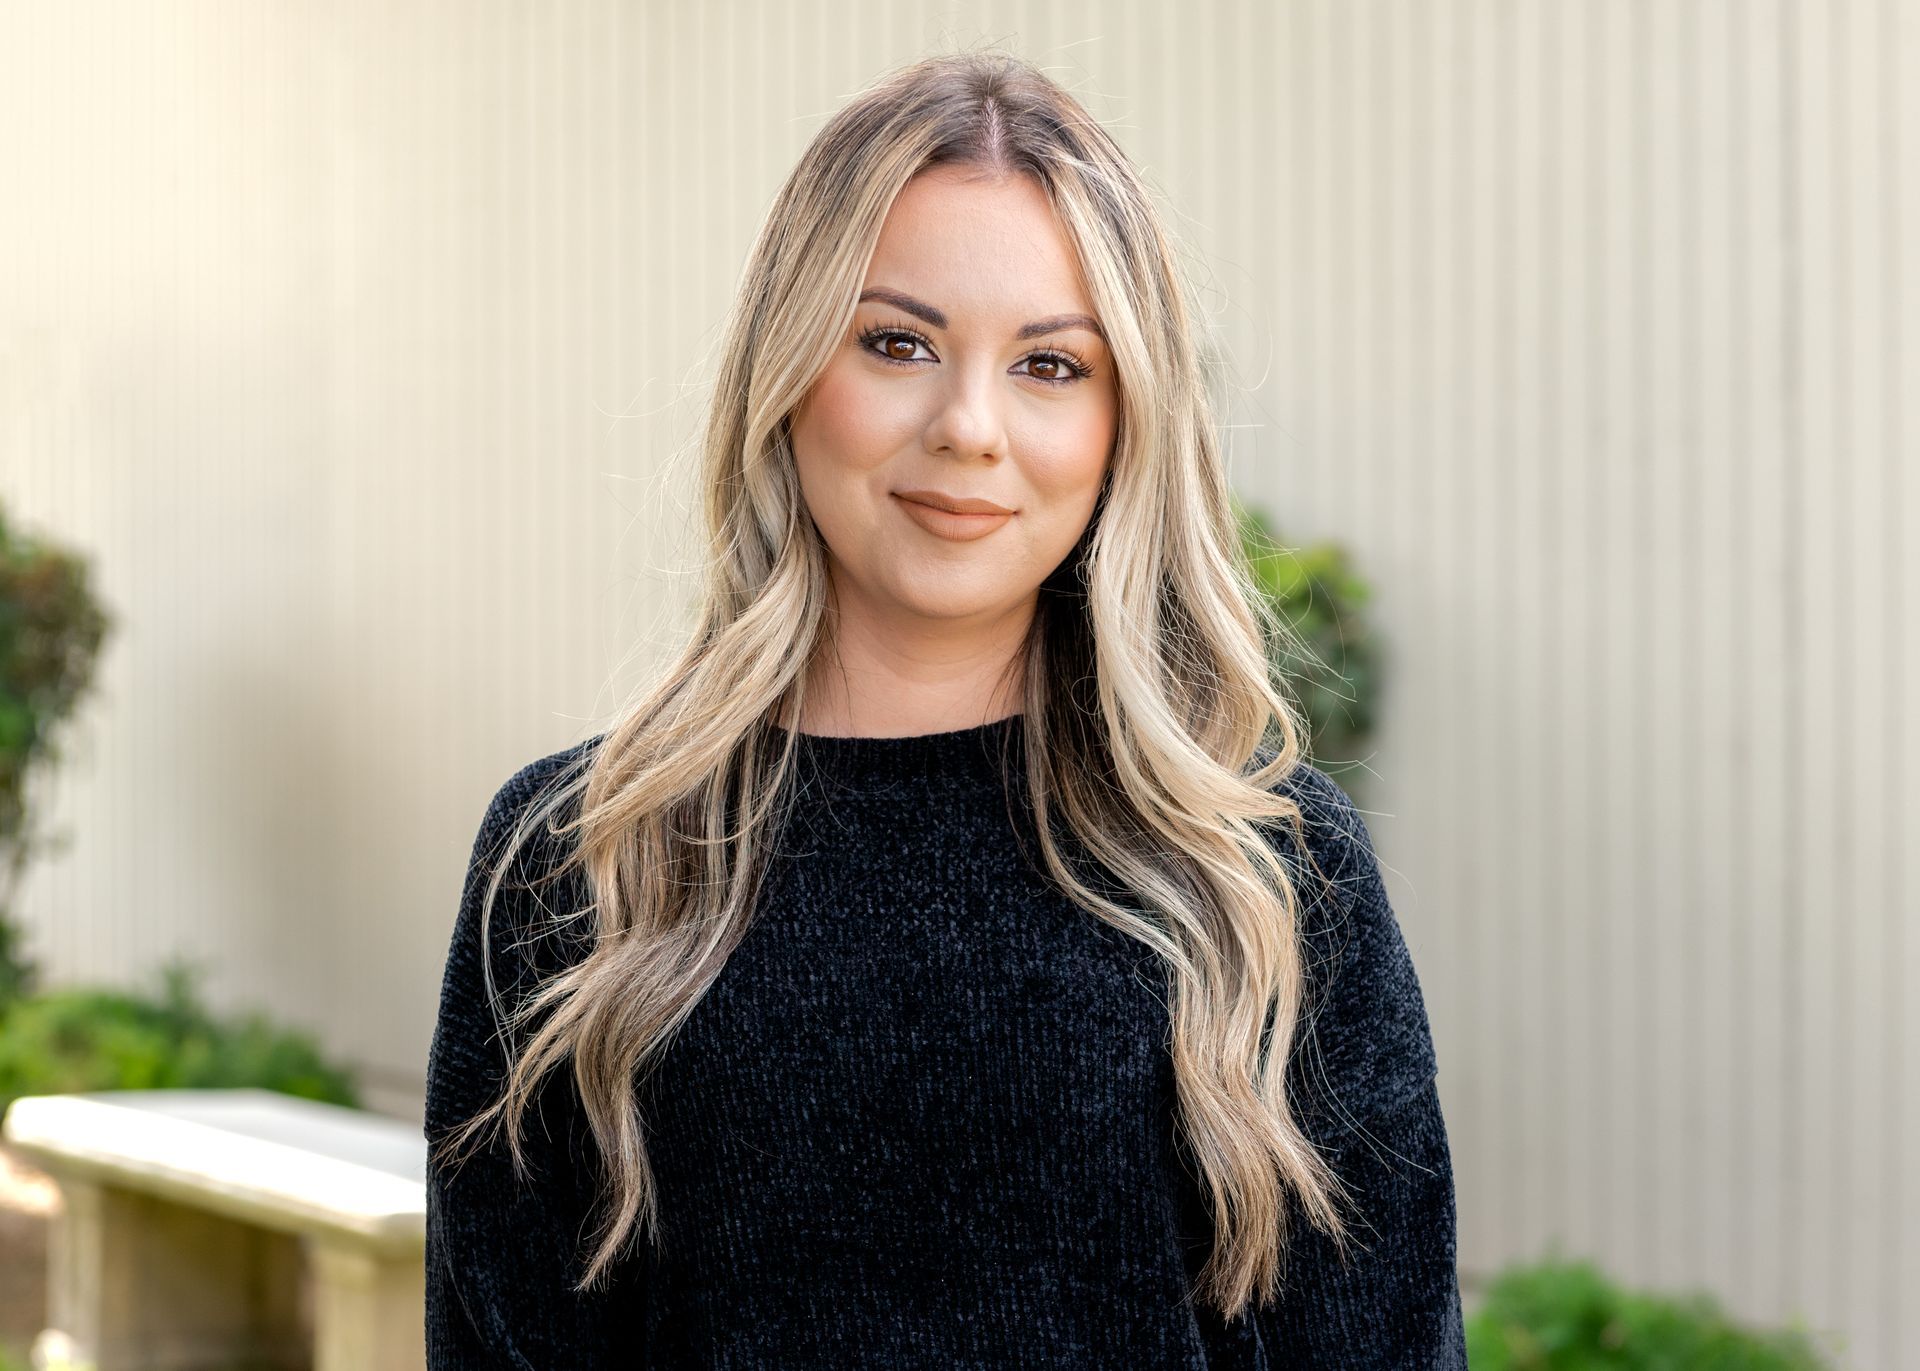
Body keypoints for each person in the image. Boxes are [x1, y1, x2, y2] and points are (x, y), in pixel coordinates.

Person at [424, 48, 1466, 1369]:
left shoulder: (1267, 875)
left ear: (1123, 422)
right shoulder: (586, 857)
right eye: (897, 343)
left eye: (1050, 366)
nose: (970, 427)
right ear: (790, 371)